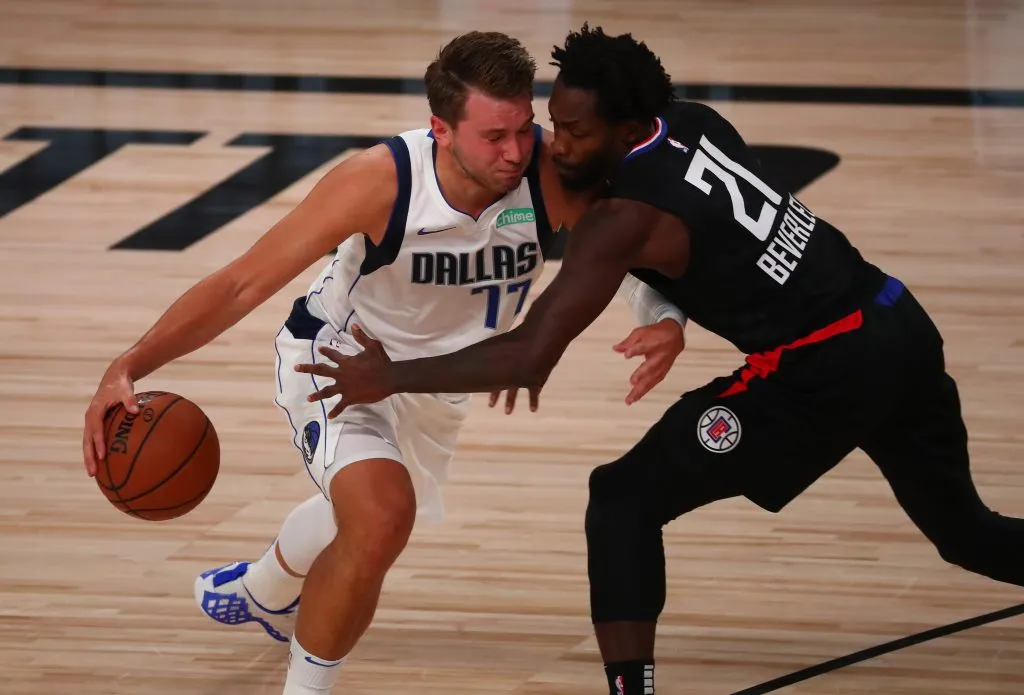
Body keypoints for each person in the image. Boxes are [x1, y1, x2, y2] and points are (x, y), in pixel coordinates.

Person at [295, 23, 1024, 695]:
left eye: (576, 132)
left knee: (622, 499)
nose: (556, 144)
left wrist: (388, 376)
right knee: (964, 532)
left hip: (822, 372)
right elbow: (702, 240)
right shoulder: (695, 121)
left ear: (630, 126)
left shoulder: (624, 218)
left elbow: (528, 355)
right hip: (896, 318)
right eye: (555, 121)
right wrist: (669, 313)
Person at [81, 31, 688, 695]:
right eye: (493, 136)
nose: (515, 151)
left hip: (440, 383)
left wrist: (663, 316)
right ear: (441, 128)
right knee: (379, 516)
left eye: (523, 127)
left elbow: (616, 247)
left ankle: (264, 590)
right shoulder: (380, 180)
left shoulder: (541, 168)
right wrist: (130, 363)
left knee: (370, 510)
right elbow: (240, 284)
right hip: (341, 364)